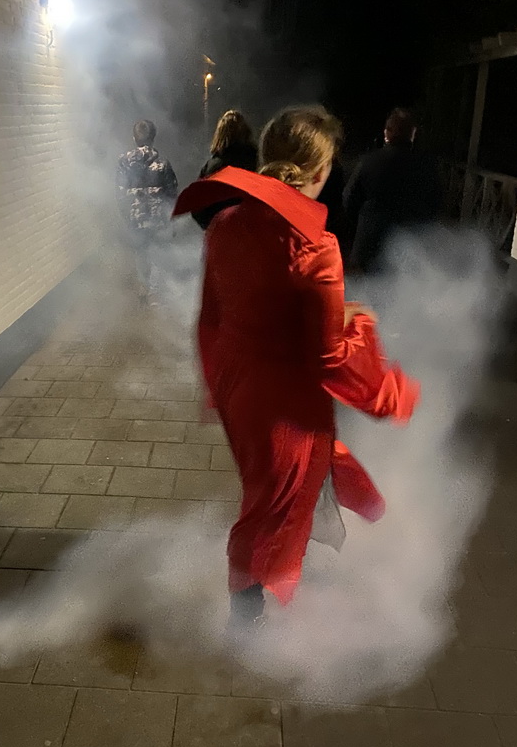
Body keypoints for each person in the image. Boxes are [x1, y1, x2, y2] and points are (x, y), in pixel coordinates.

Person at [173, 106, 420, 629]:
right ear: (321, 172)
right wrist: (388, 386)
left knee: (277, 486)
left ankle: (344, 538)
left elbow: (221, 308)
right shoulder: (315, 245)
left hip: (240, 385)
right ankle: (245, 615)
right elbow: (328, 356)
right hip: (285, 398)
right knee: (269, 504)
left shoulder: (225, 223)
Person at [344, 108, 444, 274]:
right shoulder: (427, 166)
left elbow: (349, 200)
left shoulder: (369, 161)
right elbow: (436, 205)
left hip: (370, 247)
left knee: (365, 296)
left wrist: (363, 225)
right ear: (412, 134)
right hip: (411, 249)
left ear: (387, 133)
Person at [116, 120, 178, 305]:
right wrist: (171, 218)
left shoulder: (123, 163)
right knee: (157, 252)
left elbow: (120, 193)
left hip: (135, 219)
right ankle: (154, 292)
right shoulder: (163, 164)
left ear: (134, 138)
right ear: (153, 138)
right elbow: (172, 193)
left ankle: (143, 287)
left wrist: (126, 216)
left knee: (140, 251)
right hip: (158, 219)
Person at [193, 110, 258, 231]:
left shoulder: (213, 166)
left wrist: (212, 226)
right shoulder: (258, 161)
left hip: (223, 234)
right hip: (254, 232)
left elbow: (197, 206)